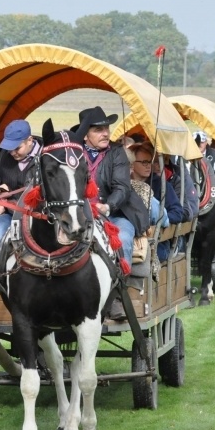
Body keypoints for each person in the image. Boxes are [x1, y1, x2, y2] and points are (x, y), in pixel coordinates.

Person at [77, 106, 150, 319]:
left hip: (115, 212)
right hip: (78, 213)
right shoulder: (73, 154)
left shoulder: (116, 153)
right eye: (98, 129)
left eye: (106, 128)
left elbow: (122, 187)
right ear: (85, 134)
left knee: (124, 237)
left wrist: (107, 206)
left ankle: (118, 297)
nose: (106, 133)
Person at [0, 119, 42, 266]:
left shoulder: (45, 159)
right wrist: (0, 198)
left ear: (30, 140)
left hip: (38, 217)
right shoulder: (3, 157)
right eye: (8, 148)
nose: (12, 152)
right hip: (9, 215)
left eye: (16, 148)